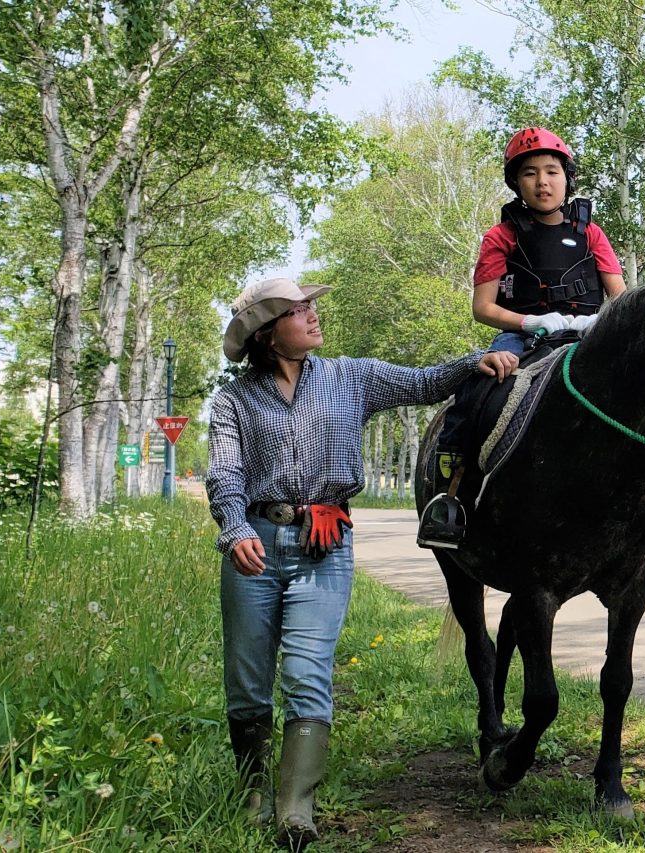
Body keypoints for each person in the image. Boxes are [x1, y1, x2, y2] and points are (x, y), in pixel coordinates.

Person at [207, 277, 516, 848]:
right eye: (299, 312)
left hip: (325, 545)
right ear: (269, 334)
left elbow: (423, 383)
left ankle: (295, 806)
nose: (313, 316)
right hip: (255, 544)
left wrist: (479, 359)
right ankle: (252, 791)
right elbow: (224, 472)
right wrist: (233, 527)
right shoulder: (233, 399)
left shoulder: (349, 376)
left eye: (309, 307)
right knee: (248, 682)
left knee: (306, 672)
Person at [417, 126, 625, 548]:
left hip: (587, 336)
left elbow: (619, 296)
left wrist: (597, 323)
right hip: (524, 336)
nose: (542, 182)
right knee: (478, 389)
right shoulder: (501, 236)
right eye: (530, 173)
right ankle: (451, 496)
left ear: (567, 178)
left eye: (552, 171)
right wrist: (530, 323)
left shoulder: (592, 233)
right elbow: (483, 307)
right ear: (517, 183)